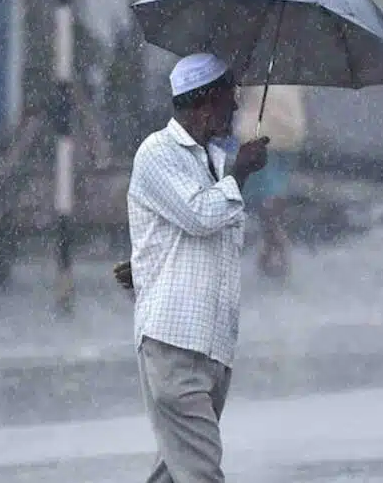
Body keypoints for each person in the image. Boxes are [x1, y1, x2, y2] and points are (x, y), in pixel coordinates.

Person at [114, 52, 269, 483]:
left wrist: (144, 264)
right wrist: (240, 175)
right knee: (200, 470)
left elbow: (191, 239)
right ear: (205, 104)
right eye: (229, 99)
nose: (237, 108)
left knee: (176, 468)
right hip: (175, 345)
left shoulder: (212, 160)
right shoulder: (157, 153)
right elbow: (200, 215)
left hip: (213, 346)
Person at [234, 84, 306, 280]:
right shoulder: (293, 67)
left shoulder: (252, 67)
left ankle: (277, 243)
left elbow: (236, 98)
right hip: (291, 133)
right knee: (275, 190)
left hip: (260, 133)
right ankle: (271, 245)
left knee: (264, 194)